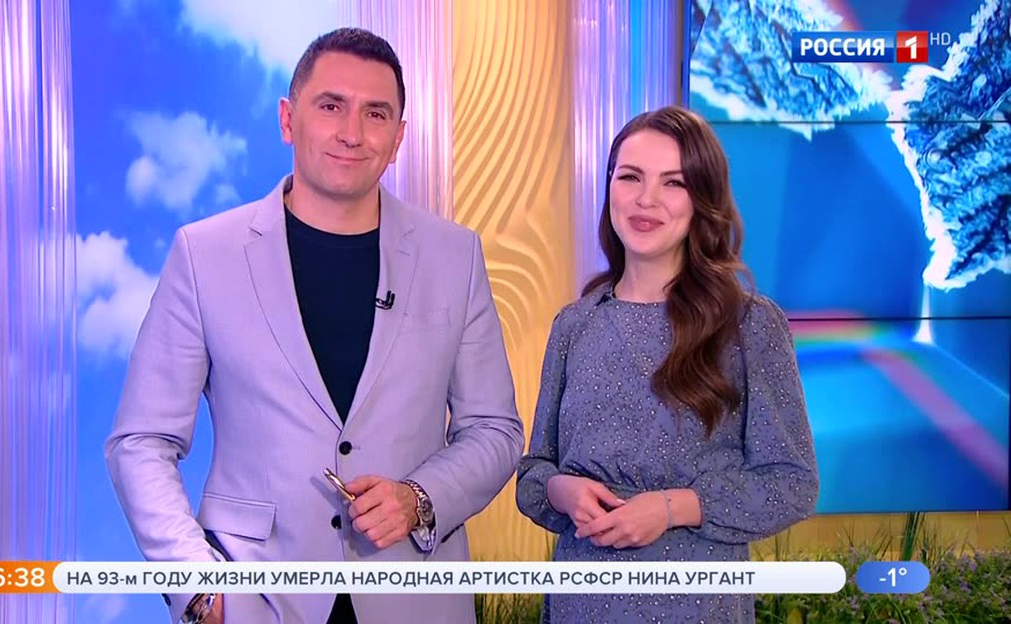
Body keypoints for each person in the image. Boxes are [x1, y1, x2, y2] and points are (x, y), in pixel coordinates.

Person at [105, 27, 524, 624]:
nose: (352, 132)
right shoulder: (204, 255)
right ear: (287, 119)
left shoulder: (453, 255)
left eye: (375, 113)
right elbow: (141, 441)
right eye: (331, 106)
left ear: (399, 137)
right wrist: (198, 590)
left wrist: (420, 499)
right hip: (255, 600)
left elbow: (494, 430)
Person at [515, 105, 819, 623]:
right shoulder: (575, 324)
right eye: (630, 177)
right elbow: (533, 473)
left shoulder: (748, 325)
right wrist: (560, 490)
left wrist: (673, 508)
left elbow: (792, 485)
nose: (646, 199)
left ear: (703, 199)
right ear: (609, 187)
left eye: (672, 182)